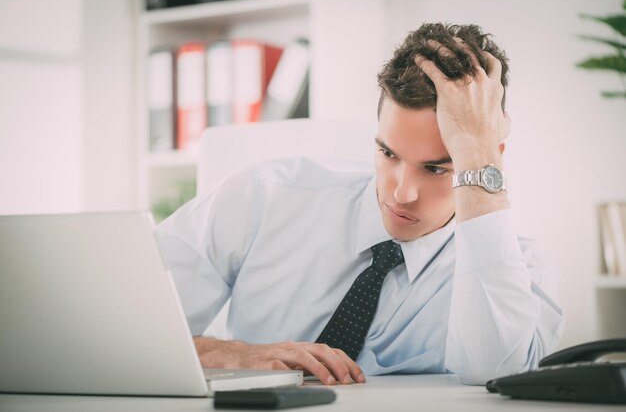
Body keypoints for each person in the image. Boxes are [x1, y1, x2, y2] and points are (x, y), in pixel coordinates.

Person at [156, 23, 564, 386]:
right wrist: (230, 354)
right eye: (389, 154)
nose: (402, 193)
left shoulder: (518, 267)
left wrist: (479, 155)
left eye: (436, 169)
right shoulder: (264, 196)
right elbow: (119, 328)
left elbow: (499, 375)